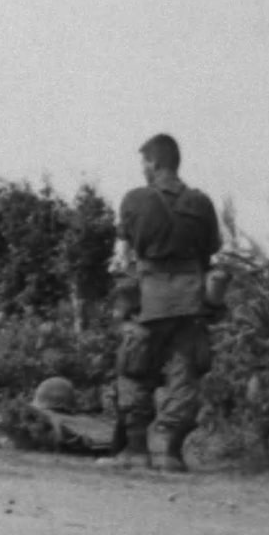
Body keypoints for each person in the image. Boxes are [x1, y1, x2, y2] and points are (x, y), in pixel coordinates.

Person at [98, 133, 221, 472]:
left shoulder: (136, 200)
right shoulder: (202, 203)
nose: (143, 169)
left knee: (134, 371)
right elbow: (211, 250)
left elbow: (125, 255)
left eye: (144, 163)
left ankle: (136, 450)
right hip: (192, 300)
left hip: (149, 298)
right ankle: (168, 449)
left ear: (152, 162)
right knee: (185, 376)